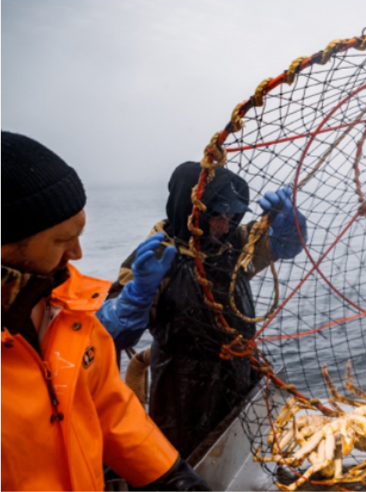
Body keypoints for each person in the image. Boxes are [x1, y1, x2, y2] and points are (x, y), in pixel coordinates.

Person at [0, 131, 210, 491]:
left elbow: (107, 406)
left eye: (79, 234)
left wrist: (170, 475)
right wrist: (139, 292)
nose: (78, 254)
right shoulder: (154, 252)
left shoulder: (65, 306)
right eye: (61, 241)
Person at [97, 161, 307, 458]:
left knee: (246, 453)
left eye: (232, 217)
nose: (224, 225)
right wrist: (138, 294)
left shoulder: (232, 241)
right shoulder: (155, 256)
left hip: (240, 373)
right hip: (182, 392)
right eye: (217, 217)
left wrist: (289, 226)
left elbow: (282, 247)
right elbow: (111, 334)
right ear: (190, 208)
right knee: (192, 463)